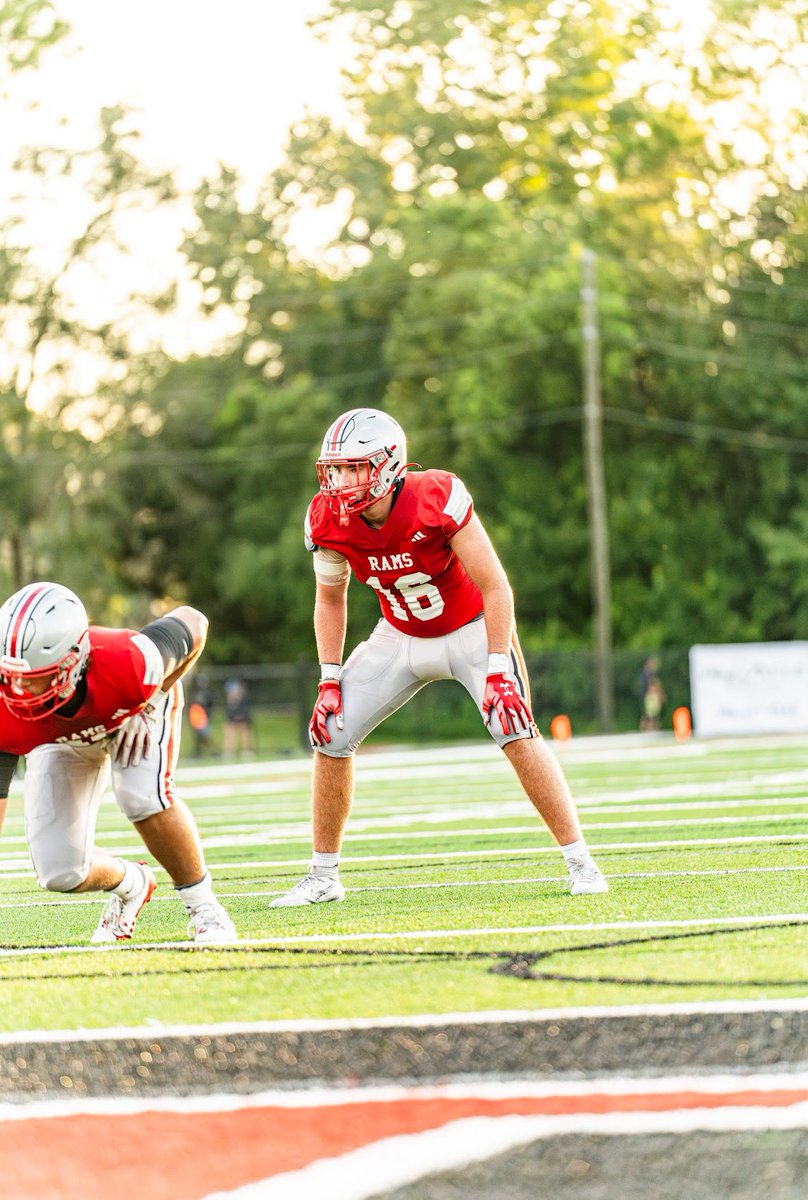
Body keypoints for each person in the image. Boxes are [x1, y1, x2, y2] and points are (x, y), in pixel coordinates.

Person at [270, 408, 608, 907]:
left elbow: (495, 587)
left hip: (471, 629)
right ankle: (323, 877)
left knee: (513, 725)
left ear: (386, 465)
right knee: (331, 731)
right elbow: (330, 598)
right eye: (334, 469)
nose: (339, 481)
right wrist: (327, 679)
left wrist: (498, 669)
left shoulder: (436, 496)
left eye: (352, 468)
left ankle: (582, 863)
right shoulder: (326, 519)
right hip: (399, 632)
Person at [0, 581, 237, 944]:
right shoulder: (8, 707)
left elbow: (194, 622)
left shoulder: (126, 659)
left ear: (74, 659)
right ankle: (133, 883)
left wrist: (151, 699)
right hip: (60, 737)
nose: (19, 691)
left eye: (34, 679)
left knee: (142, 796)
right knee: (59, 871)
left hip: (130, 713)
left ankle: (204, 908)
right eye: (11, 676)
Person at [223, 677, 254, 757]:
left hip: (242, 719)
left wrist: (241, 716)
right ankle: (229, 751)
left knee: (244, 732)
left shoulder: (243, 699)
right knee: (229, 731)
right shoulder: (229, 701)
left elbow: (246, 711)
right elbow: (229, 713)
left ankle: (247, 750)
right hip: (232, 720)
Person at [639, 656, 666, 732]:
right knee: (649, 717)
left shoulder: (647, 674)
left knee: (652, 717)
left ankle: (651, 730)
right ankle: (648, 730)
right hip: (649, 697)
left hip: (650, 697)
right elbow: (653, 686)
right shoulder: (649, 674)